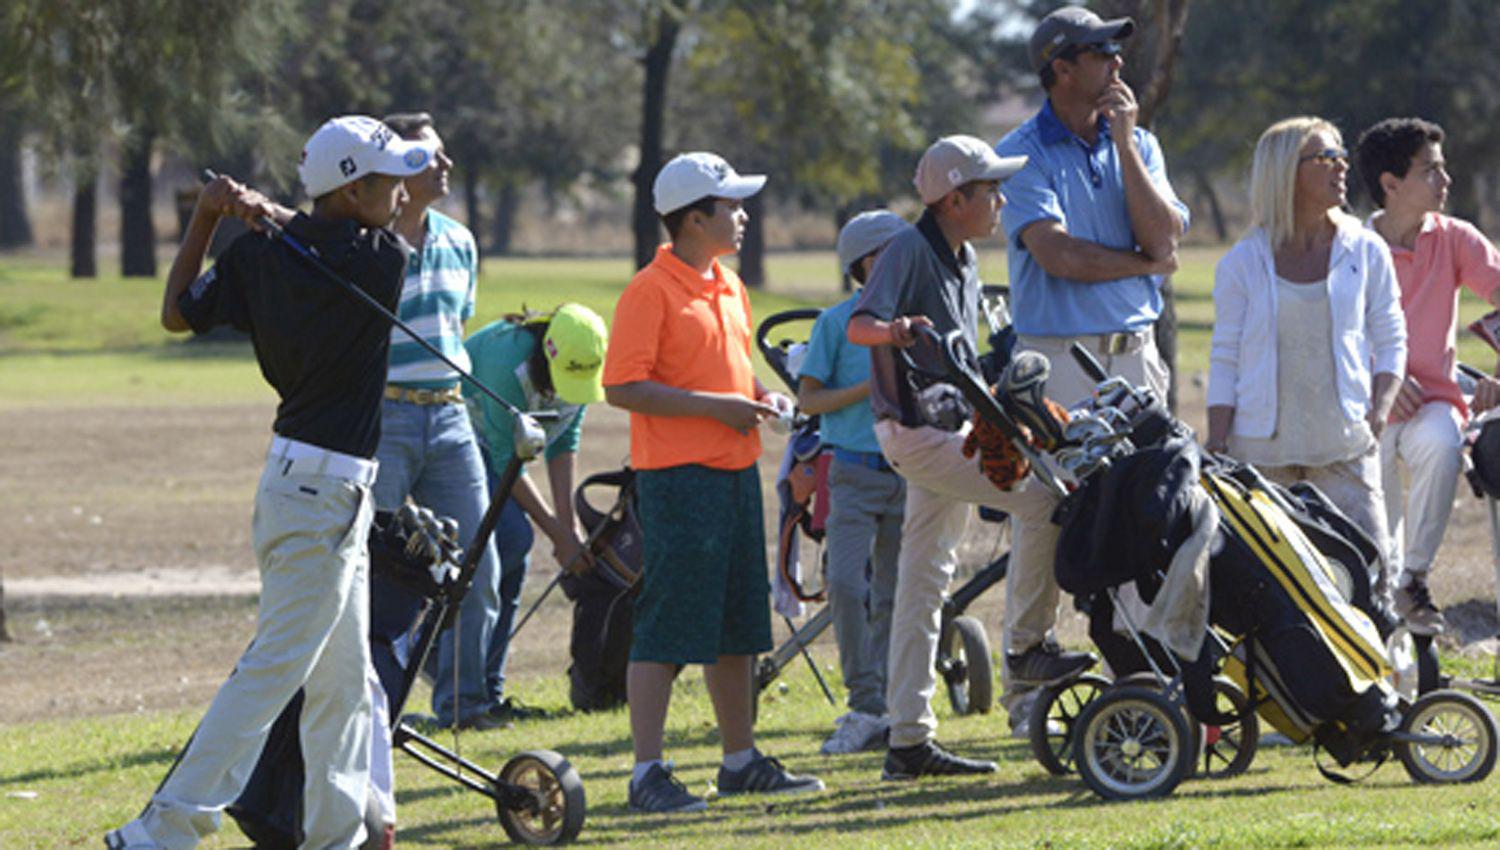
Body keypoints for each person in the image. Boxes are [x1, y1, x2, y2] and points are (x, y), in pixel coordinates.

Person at [106, 115, 436, 850]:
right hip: (320, 498)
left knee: (344, 685)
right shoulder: (383, 259)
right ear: (353, 192)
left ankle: (340, 835)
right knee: (271, 674)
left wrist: (210, 217)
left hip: (312, 490)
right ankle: (162, 831)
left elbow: (177, 311)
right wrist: (264, 211)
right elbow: (321, 238)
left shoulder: (259, 255)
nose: (401, 191)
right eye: (388, 181)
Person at [847, 135, 1095, 781]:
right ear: (955, 199)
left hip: (945, 432)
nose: (1001, 202)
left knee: (923, 584)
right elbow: (859, 324)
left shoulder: (962, 258)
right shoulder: (906, 249)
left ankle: (908, 741)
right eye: (990, 191)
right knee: (1044, 499)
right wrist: (896, 331)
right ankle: (1026, 649)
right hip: (918, 436)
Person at [603, 152, 824, 813]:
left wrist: (763, 397)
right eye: (731, 206)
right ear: (694, 218)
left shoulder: (728, 284)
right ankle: (647, 774)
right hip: (677, 480)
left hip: (732, 474)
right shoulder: (650, 290)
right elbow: (622, 387)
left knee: (737, 626)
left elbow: (732, 373)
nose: (744, 215)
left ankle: (740, 761)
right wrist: (716, 407)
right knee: (668, 627)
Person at [1207, 117, 1407, 598]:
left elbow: (1392, 335)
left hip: (1344, 451)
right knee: (1270, 594)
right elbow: (1225, 357)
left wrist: (1379, 409)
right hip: (1261, 459)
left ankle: (1379, 673)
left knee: (1370, 582)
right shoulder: (1242, 262)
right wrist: (1216, 440)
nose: (1341, 166)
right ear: (1284, 174)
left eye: (1341, 155)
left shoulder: (1366, 249)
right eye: (1325, 157)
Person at [369, 112, 516, 730]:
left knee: (476, 568)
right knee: (374, 570)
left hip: (451, 418)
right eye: (432, 156)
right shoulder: (367, 242)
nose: (446, 165)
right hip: (383, 419)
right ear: (399, 167)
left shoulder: (461, 240)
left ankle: (463, 704)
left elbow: (456, 329)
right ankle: (373, 708)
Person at [995, 6, 1186, 409]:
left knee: (1153, 472)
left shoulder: (1140, 145)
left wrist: (1126, 146)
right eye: (1101, 51)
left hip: (1138, 356)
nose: (1117, 60)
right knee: (1064, 475)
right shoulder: (1018, 154)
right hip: (1060, 364)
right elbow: (1061, 256)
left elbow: (1164, 242)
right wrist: (1145, 265)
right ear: (1063, 70)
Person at [1356, 117, 1500, 634]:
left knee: (1442, 445)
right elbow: (1331, 337)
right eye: (1431, 171)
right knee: (1378, 526)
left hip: (1437, 402)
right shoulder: (1350, 246)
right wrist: (1384, 381)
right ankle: (1383, 611)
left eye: (1443, 169)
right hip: (1367, 406)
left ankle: (1412, 579)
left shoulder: (1456, 238)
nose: (1446, 181)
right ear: (1391, 185)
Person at [795, 209, 908, 755]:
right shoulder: (836, 324)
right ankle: (865, 701)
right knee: (844, 583)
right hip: (853, 474)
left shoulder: (916, 321)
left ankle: (883, 704)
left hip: (910, 473)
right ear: (867, 263)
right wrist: (868, 388)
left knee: (894, 593)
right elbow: (808, 399)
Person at [462, 302, 609, 682]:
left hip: (502, 452)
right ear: (549, 353)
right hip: (465, 440)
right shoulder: (506, 365)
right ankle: (438, 658)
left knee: (515, 552)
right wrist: (557, 535)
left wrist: (569, 525)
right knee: (512, 538)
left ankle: (488, 688)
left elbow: (562, 442)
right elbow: (504, 459)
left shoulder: (584, 362)